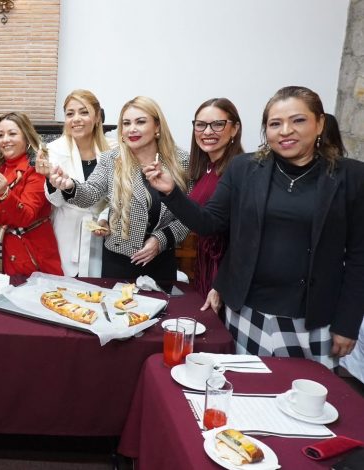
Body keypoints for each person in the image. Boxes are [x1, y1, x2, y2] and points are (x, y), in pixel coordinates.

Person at [143, 86, 364, 367]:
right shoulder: (244, 169)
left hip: (313, 317)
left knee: (306, 401)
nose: (285, 130)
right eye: (275, 123)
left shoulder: (352, 177)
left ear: (319, 123)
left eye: (298, 120)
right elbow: (209, 223)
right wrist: (171, 191)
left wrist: (347, 323)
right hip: (248, 309)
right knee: (246, 393)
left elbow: (359, 257)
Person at [47, 96, 189, 282]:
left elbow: (188, 215)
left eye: (140, 122)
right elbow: (90, 194)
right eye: (126, 123)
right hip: (118, 261)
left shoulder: (181, 162)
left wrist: (159, 240)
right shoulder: (111, 159)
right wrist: (70, 186)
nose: (132, 129)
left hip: (161, 260)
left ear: (157, 126)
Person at [34, 89, 116, 277]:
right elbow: (55, 201)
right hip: (67, 228)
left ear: (97, 117)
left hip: (102, 228)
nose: (76, 119)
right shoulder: (54, 149)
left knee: (98, 288)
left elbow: (119, 194)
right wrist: (50, 180)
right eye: (70, 114)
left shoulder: (114, 150)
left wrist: (105, 216)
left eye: (84, 112)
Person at [0, 112, 62, 276]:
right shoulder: (0, 168)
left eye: (12, 134)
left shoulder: (36, 170)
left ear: (27, 138)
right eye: (0, 135)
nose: (5, 140)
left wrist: (5, 194)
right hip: (8, 254)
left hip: (34, 256)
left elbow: (26, 216)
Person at [187, 98, 244, 312]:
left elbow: (243, 237)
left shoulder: (240, 170)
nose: (207, 131)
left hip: (225, 272)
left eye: (217, 124)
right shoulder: (206, 169)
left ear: (234, 128)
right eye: (200, 125)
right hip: (203, 265)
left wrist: (220, 284)